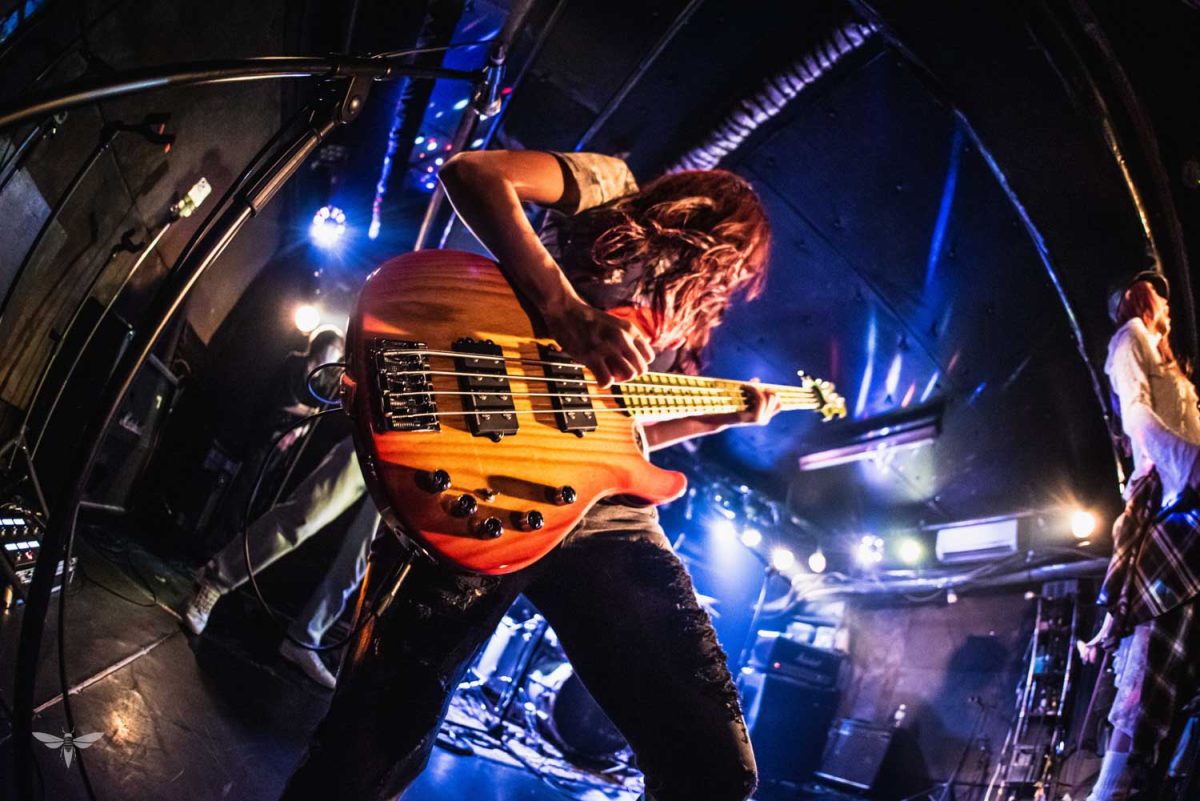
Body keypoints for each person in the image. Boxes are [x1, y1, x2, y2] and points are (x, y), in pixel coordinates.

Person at [278, 150, 778, 801]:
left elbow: (613, 436)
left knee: (715, 767)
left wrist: (711, 420)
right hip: (481, 468)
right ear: (714, 222)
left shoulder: (679, 328)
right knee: (372, 742)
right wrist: (566, 308)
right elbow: (472, 174)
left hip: (605, 517)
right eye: (737, 260)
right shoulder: (615, 187)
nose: (729, 278)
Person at [1079, 271, 1200, 801]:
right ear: (1137, 297)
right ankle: (1107, 791)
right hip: (1172, 495)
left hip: (1185, 496)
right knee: (1154, 646)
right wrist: (1187, 465)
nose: (1166, 304)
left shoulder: (1165, 354)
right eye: (1158, 295)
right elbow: (1138, 415)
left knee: (1172, 645)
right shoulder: (1129, 337)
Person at [181, 435, 380, 689]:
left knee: (363, 558)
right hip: (377, 436)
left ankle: (306, 638)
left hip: (411, 464)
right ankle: (215, 581)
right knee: (304, 514)